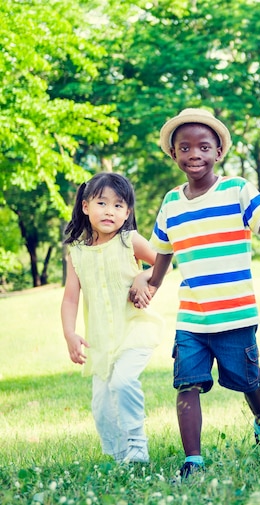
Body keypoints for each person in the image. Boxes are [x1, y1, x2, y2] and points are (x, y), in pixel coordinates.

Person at [140, 108, 260, 479]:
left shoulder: (237, 189)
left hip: (235, 314)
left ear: (217, 153)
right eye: (184, 147)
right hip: (192, 318)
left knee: (249, 382)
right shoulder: (170, 203)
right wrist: (149, 284)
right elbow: (162, 254)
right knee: (186, 383)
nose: (193, 154)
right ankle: (193, 459)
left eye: (203, 146)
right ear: (174, 155)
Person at [61, 172, 164, 464]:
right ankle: (122, 459)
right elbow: (70, 298)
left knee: (123, 381)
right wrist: (70, 333)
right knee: (102, 407)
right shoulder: (77, 253)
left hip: (135, 330)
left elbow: (163, 263)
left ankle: (137, 444)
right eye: (102, 203)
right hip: (101, 340)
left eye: (119, 205)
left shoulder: (130, 240)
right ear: (85, 206)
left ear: (128, 212)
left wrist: (144, 277)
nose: (110, 211)